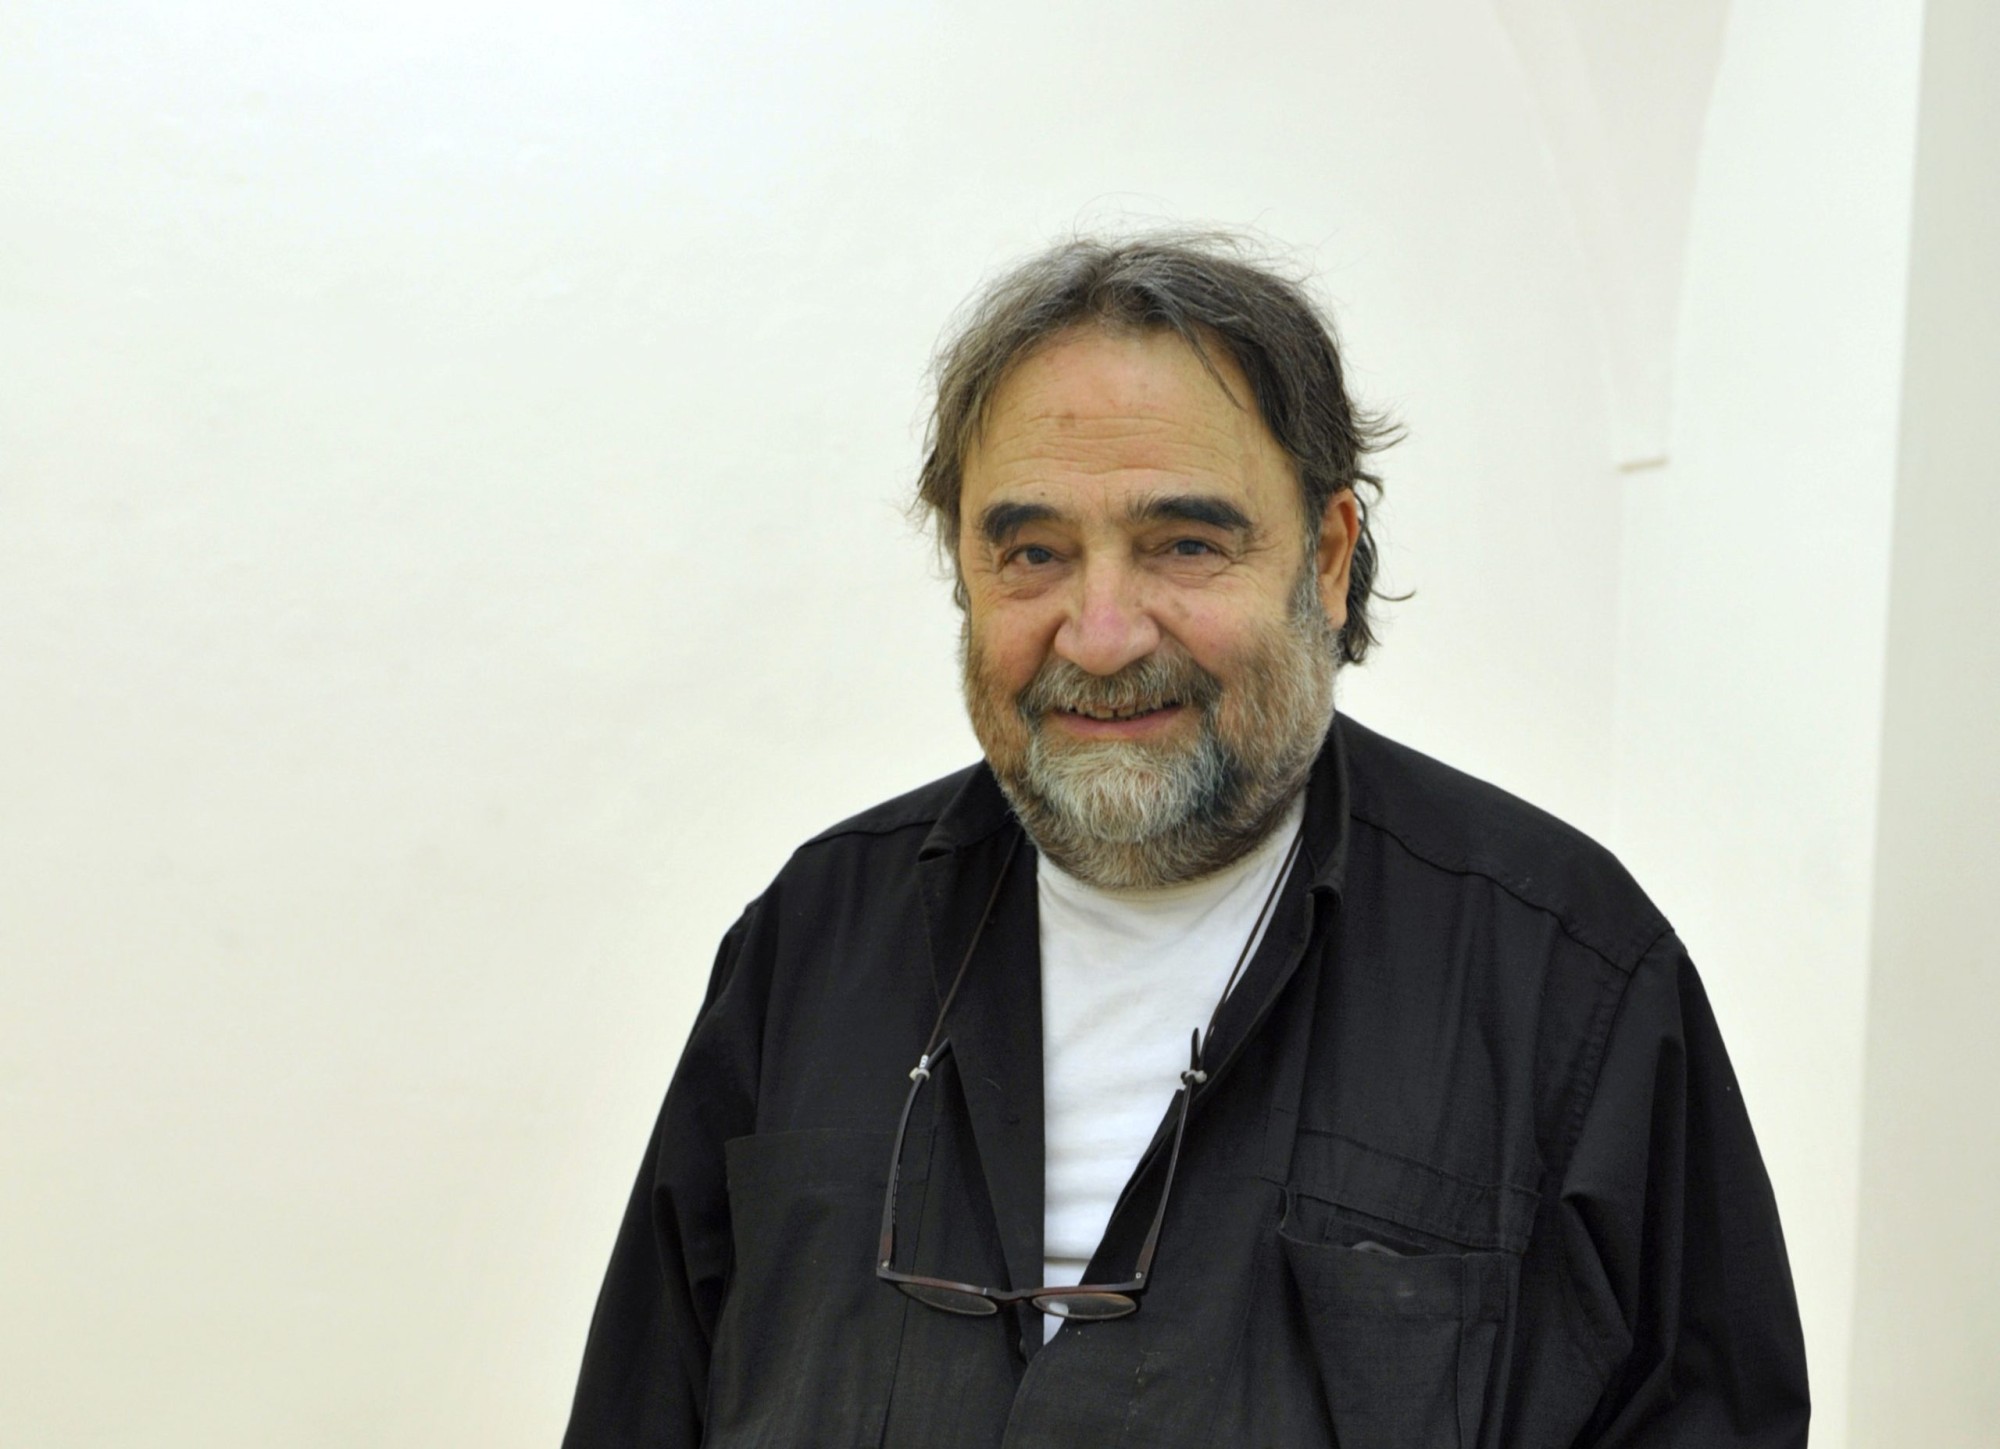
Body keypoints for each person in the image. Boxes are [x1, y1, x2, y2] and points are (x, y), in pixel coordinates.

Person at [561, 234, 1809, 1447]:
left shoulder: (1566, 979)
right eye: (1033, 552)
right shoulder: (811, 942)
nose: (1100, 634)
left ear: (1326, 560)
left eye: (1184, 544)